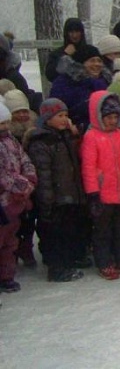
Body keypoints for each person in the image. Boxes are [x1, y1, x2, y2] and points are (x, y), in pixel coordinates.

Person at [25, 99, 89, 282]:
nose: (64, 119)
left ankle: (70, 260)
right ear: (47, 118)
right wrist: (47, 201)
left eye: (66, 115)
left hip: (69, 194)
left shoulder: (65, 136)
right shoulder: (41, 142)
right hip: (55, 198)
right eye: (59, 116)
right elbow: (44, 176)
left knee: (70, 230)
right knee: (55, 234)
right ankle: (57, 268)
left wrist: (75, 135)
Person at [81, 91, 120, 280]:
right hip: (103, 194)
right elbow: (89, 167)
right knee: (103, 232)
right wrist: (93, 193)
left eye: (116, 117)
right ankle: (105, 262)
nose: (113, 121)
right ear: (99, 117)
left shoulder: (119, 135)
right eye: (108, 117)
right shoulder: (91, 137)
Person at [0, 101, 37, 292]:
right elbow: (3, 175)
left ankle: (7, 276)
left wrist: (29, 178)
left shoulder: (11, 141)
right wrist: (20, 185)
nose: (4, 127)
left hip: (17, 200)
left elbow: (24, 160)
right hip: (4, 200)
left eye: (6, 123)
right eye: (1, 124)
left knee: (10, 240)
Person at [46, 18, 90, 82]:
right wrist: (65, 55)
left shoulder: (90, 51)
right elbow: (50, 76)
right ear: (66, 34)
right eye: (71, 32)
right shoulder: (56, 54)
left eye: (77, 31)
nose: (74, 35)